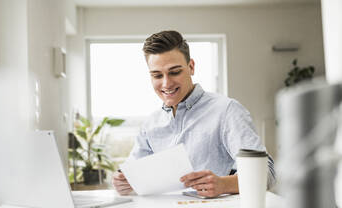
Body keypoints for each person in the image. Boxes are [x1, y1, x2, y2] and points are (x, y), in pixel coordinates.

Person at [112, 30, 276, 197]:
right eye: (157, 75)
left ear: (191, 67)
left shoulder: (226, 110)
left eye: (175, 72)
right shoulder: (151, 124)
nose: (166, 83)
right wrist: (122, 182)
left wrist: (223, 184)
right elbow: (131, 174)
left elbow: (267, 174)